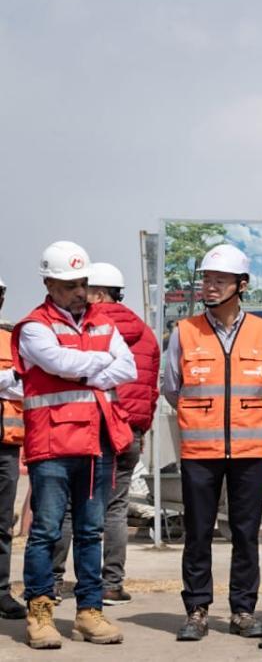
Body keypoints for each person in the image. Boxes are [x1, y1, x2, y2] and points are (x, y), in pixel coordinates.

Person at [13, 241, 135, 648]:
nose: (80, 292)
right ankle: (40, 613)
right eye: (69, 285)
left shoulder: (103, 321)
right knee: (46, 532)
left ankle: (89, 612)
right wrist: (98, 364)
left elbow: (128, 367)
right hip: (52, 444)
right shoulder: (34, 326)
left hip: (95, 442)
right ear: (49, 284)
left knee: (90, 532)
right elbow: (58, 363)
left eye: (83, 283)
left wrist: (82, 369)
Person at [162, 244, 262, 641]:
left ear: (241, 285)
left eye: (219, 280)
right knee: (198, 533)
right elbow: (171, 388)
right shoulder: (184, 331)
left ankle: (243, 611)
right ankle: (196, 610)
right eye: (207, 279)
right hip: (200, 451)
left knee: (246, 534)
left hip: (249, 452)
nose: (210, 287)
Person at [52, 262, 160, 606]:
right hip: (130, 430)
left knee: (69, 506)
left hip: (89, 427)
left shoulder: (91, 329)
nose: (78, 295)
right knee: (116, 508)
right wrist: (139, 425)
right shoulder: (146, 333)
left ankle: (53, 581)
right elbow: (154, 389)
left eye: (84, 289)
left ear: (98, 293)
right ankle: (112, 583)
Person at [0, 275, 26, 620]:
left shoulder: (11, 341)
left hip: (6, 448)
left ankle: (1, 592)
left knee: (2, 524)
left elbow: (25, 385)